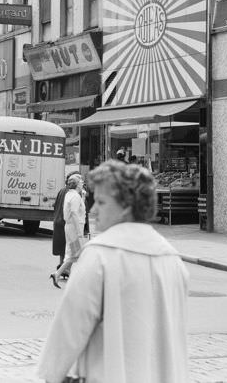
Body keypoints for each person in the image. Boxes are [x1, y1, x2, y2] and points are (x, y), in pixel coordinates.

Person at [37, 160, 188, 383]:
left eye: (101, 202)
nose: (94, 209)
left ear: (125, 206)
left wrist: (50, 375)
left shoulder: (100, 256)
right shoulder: (172, 260)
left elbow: (69, 330)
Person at [51, 173, 86, 287]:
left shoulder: (70, 194)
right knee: (77, 252)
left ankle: (58, 273)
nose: (82, 184)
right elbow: (75, 213)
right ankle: (80, 276)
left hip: (70, 227)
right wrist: (80, 233)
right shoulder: (75, 196)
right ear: (76, 184)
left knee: (73, 253)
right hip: (75, 228)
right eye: (81, 182)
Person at [51, 181, 67, 272]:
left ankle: (61, 266)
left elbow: (55, 205)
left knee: (62, 246)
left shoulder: (62, 190)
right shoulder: (71, 193)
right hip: (65, 222)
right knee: (68, 247)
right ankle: (65, 268)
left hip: (59, 220)